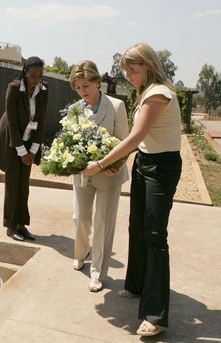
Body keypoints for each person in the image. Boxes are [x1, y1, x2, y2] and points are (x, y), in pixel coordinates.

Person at [82, 43, 182, 337]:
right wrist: (120, 160)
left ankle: (156, 315)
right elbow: (139, 142)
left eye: (133, 70)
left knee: (154, 235)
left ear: (148, 67)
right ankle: (137, 284)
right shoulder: (146, 92)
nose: (128, 76)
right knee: (137, 226)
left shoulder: (159, 93)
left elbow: (137, 135)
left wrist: (101, 163)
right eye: (126, 70)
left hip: (161, 168)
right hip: (145, 162)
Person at [68, 61, 129, 292]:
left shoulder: (116, 106)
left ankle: (98, 272)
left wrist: (114, 164)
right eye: (77, 88)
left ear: (97, 82)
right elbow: (70, 141)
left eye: (86, 86)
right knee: (80, 218)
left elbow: (124, 141)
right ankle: (81, 253)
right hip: (82, 174)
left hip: (109, 175)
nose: (83, 92)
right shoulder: (75, 108)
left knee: (103, 223)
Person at [0, 56, 48, 242]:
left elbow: (41, 121)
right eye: (33, 76)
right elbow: (12, 121)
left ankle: (22, 224)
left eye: (40, 76)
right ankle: (10, 225)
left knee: (24, 185)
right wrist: (22, 151)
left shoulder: (43, 89)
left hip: (29, 139)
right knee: (13, 183)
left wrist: (33, 150)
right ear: (25, 72)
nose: (36, 80)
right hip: (11, 138)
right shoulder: (14, 88)